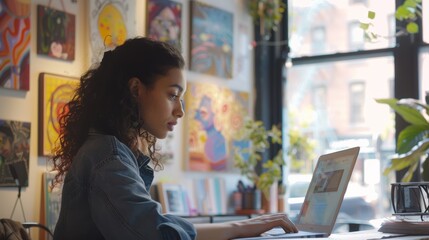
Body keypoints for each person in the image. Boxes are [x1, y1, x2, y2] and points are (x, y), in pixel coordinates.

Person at [51, 37, 297, 240]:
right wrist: (240, 228)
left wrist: (241, 226)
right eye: (172, 95)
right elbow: (156, 235)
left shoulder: (111, 151)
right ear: (136, 90)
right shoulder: (108, 156)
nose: (180, 111)